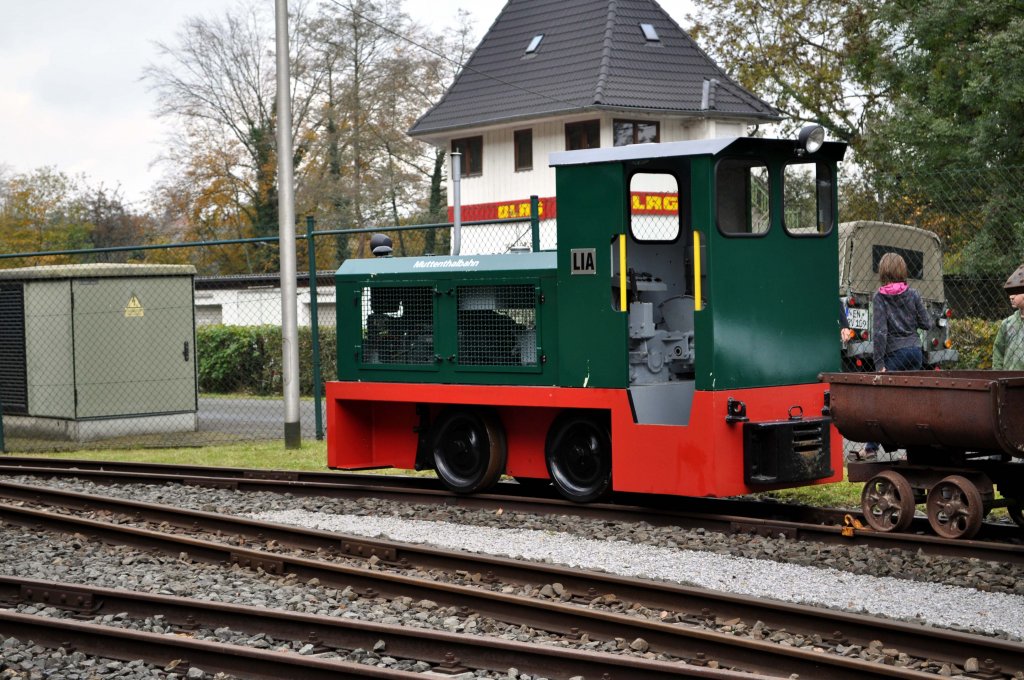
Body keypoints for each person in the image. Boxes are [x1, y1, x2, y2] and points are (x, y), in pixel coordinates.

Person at [858, 252, 933, 460]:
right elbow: (927, 323)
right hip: (914, 352)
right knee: (910, 402)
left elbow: (880, 333)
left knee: (882, 400)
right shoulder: (913, 294)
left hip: (894, 354)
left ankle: (871, 448)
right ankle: (912, 452)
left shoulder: (880, 297)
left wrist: (879, 363)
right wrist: (910, 319)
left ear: (883, 271)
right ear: (902, 270)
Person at [993, 263, 1024, 370]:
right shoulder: (1007, 323)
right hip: (1008, 377)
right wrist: (997, 374)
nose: (1011, 297)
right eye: (1010, 292)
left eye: (1016, 292)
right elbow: (998, 350)